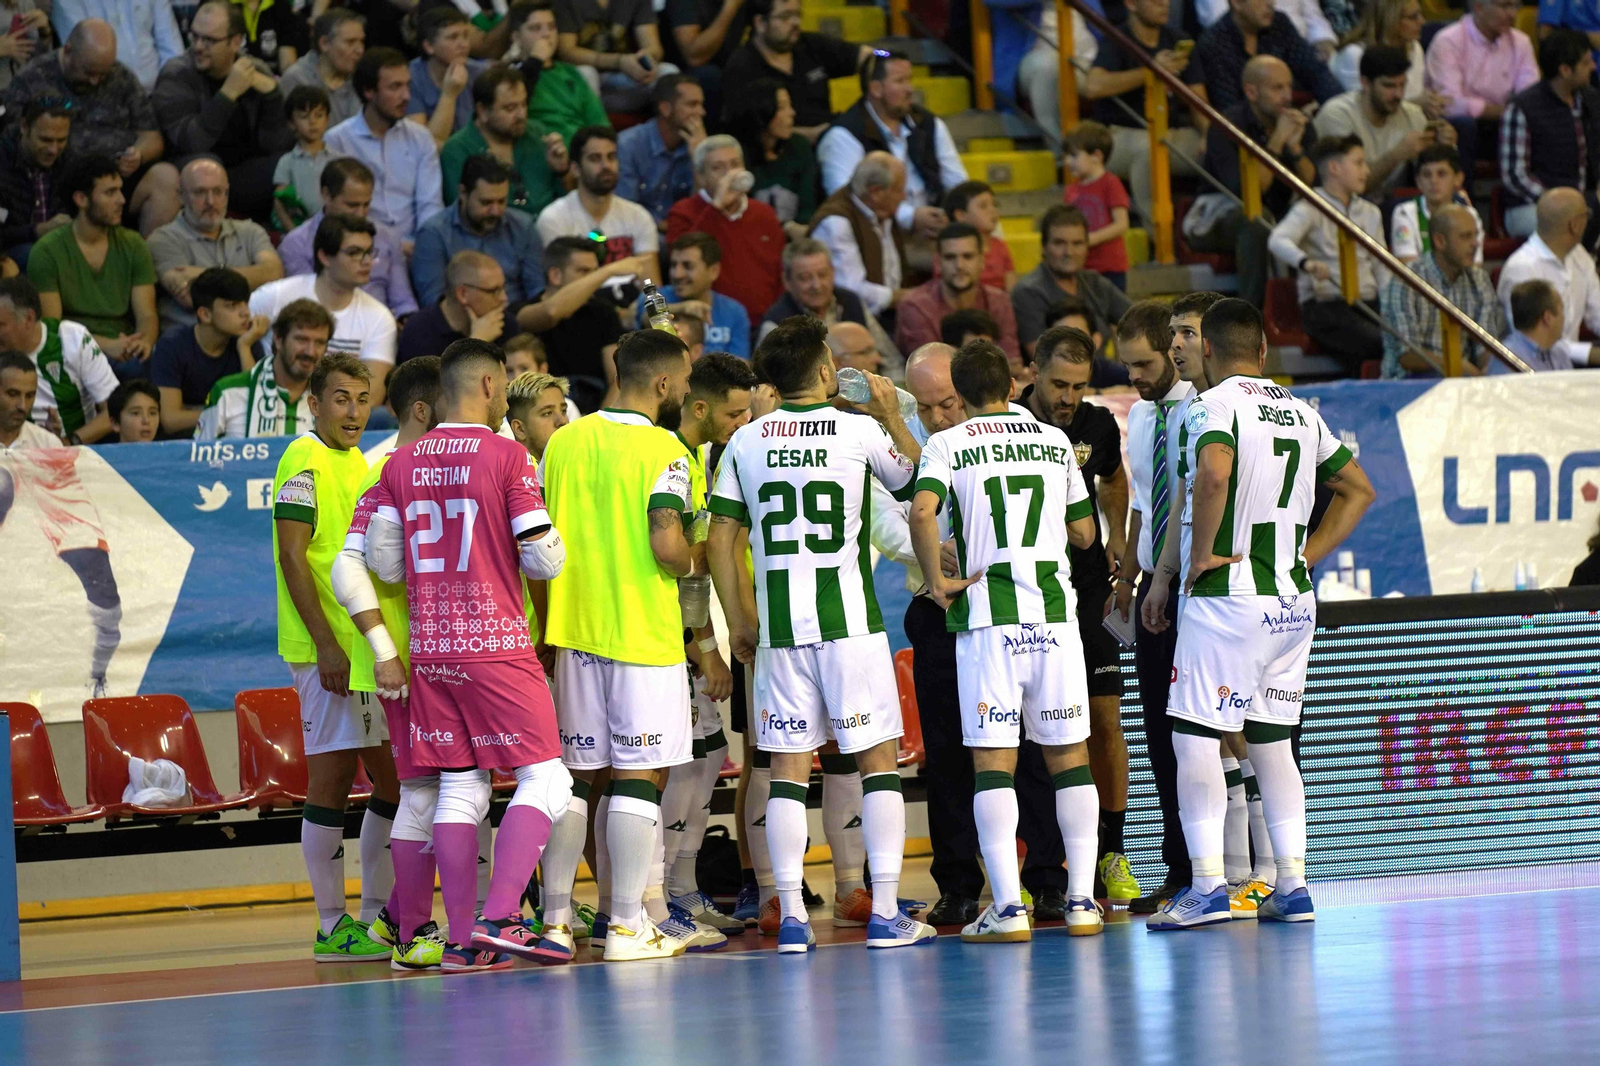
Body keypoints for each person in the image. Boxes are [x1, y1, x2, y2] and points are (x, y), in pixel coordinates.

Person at [706, 315, 937, 953]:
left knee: (785, 772)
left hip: (781, 630)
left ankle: (793, 919)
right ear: (827, 371)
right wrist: (892, 416)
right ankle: (885, 911)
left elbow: (721, 539)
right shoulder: (858, 429)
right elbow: (920, 487)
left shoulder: (745, 441)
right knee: (877, 765)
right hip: (850, 629)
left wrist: (742, 618)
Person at [1144, 298, 1374, 930]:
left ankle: (1209, 887)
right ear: (1265, 352)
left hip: (1230, 595)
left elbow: (1213, 475)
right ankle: (1293, 886)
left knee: (1193, 737)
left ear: (1210, 349)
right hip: (1291, 600)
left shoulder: (1211, 407)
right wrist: (1309, 552)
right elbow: (1359, 489)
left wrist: (1203, 554)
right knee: (1273, 745)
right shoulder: (1302, 411)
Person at [356, 337, 573, 972]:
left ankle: (458, 941)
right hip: (497, 645)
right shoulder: (507, 456)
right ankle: (502, 917)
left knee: (458, 785)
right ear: (486, 385)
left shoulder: (400, 463)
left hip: (430, 650)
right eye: (504, 383)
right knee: (547, 778)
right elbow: (542, 556)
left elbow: (385, 565)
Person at [908, 337, 1105, 942]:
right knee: (1069, 760)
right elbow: (1084, 534)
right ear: (1013, 386)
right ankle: (1079, 902)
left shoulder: (946, 443)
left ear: (960, 397)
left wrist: (938, 582)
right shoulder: (1051, 441)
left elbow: (920, 513)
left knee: (993, 763)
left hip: (989, 624)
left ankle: (1008, 910)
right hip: (1052, 620)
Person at [535, 328, 697, 963]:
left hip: (572, 634)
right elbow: (666, 544)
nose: (684, 389)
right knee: (636, 777)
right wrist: (694, 556)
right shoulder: (667, 450)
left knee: (576, 778)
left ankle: (556, 921)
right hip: (641, 635)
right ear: (661, 383)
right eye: (682, 379)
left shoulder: (562, 443)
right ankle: (628, 924)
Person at [268, 351, 399, 962]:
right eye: (340, 399)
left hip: (361, 650)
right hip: (325, 650)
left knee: (392, 777)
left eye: (361, 398)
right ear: (314, 403)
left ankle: (374, 918)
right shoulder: (303, 458)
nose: (352, 411)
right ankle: (329, 925)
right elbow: (292, 556)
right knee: (332, 777)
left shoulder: (358, 463)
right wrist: (324, 642)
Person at [326, 354, 446, 971]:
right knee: (414, 792)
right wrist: (384, 652)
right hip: (400, 668)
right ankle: (401, 923)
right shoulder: (385, 470)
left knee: (445, 791)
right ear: (426, 408)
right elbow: (350, 567)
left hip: (447, 661)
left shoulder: (449, 462)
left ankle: (399, 919)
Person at [1017, 325, 1137, 903]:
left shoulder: (1095, 424)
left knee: (1105, 718)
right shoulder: (1009, 424)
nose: (1067, 397)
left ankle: (1110, 852)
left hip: (1087, 588)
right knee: (1037, 738)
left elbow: (1113, 476)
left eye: (1078, 386)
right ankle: (1047, 864)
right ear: (1032, 372)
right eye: (1058, 384)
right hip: (1029, 594)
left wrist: (1114, 534)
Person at [1114, 295, 1211, 914]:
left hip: (1183, 588)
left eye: (1145, 364)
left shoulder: (1198, 414)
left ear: (1173, 352)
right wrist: (1127, 572)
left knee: (1190, 733)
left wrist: (1160, 578)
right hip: (1149, 580)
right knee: (1155, 730)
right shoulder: (1143, 416)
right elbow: (1143, 502)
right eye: (1127, 367)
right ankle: (1178, 866)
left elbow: (1185, 502)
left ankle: (1208, 868)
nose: (1135, 378)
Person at [656, 352, 755, 938]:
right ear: (700, 407)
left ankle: (683, 888)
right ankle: (660, 897)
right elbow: (683, 567)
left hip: (684, 635)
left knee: (710, 756)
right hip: (669, 638)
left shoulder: (695, 457)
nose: (743, 424)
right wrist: (705, 645)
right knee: (682, 764)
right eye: (735, 413)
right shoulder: (672, 460)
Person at [0, 350, 123, 696]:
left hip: (46, 529)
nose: (21, 404)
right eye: (12, 394)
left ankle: (97, 679)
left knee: (109, 605)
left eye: (28, 395)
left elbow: (74, 504)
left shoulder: (46, 444)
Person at [3, 20, 182, 236]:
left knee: (166, 178)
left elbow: (152, 136)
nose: (96, 81)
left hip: (117, 179)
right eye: (88, 72)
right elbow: (18, 145)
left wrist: (139, 155)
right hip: (62, 187)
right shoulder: (32, 79)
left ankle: (148, 263)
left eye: (102, 74)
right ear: (68, 51)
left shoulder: (120, 76)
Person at [1188, 55, 1317, 310]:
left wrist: (1294, 147)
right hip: (1218, 212)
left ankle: (1312, 315)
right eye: (1277, 88)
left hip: (1276, 210)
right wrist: (1277, 142)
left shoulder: (1297, 123)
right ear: (1251, 91)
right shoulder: (1227, 125)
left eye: (1289, 87)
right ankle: (1251, 319)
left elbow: (1311, 185)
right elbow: (1249, 192)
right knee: (1257, 222)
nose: (1287, 96)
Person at [151, 1, 296, 222]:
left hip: (241, 174)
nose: (198, 46)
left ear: (236, 42)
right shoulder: (176, 74)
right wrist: (228, 94)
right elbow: (189, 143)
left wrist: (272, 96)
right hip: (191, 175)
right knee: (207, 164)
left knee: (294, 161)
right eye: (195, 36)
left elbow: (274, 145)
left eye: (209, 40)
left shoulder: (255, 70)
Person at [29, 155, 160, 379]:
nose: (121, 200)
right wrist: (106, 345)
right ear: (81, 199)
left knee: (155, 362)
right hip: (74, 348)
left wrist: (144, 342)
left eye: (120, 190)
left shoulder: (134, 244)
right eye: (110, 192)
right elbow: (52, 328)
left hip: (127, 347)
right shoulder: (47, 252)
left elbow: (147, 314)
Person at [817, 49, 966, 246]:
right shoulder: (843, 135)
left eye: (909, 80)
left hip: (934, 234)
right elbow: (847, 202)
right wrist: (910, 217)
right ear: (876, 89)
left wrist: (951, 214)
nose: (910, 89)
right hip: (876, 239)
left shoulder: (928, 124)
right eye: (900, 81)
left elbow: (959, 184)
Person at [1267, 135, 1388, 374]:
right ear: (1334, 168)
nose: (1366, 170)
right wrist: (1306, 263)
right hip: (1326, 305)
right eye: (1359, 163)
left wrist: (1391, 308)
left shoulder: (1370, 212)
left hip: (1368, 302)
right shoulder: (1310, 206)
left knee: (1402, 339)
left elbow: (1381, 266)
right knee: (1379, 343)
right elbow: (1277, 239)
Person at [1084, 0, 1209, 229]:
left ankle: (1216, 225)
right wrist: (1151, 71)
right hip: (1118, 135)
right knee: (1150, 150)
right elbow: (1093, 86)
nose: (1165, 4)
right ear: (1131, 4)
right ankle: (1158, 239)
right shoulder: (1117, 39)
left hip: (1170, 132)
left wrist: (1207, 135)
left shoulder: (1177, 40)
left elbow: (1198, 99)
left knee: (1225, 148)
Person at [249, 213, 398, 404]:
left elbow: (371, 397)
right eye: (354, 252)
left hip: (337, 420)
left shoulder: (379, 317)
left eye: (369, 252)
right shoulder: (273, 297)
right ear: (324, 256)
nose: (367, 261)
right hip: (268, 406)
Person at [326, 47, 445, 247]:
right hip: (365, 246)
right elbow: (340, 212)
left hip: (418, 247)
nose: (406, 96)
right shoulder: (338, 141)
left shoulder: (420, 137)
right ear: (369, 91)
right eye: (395, 87)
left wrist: (425, 245)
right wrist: (392, 246)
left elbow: (430, 205)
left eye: (408, 85)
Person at [520, 236, 656, 411]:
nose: (594, 282)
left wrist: (600, 422)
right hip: (539, 410)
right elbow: (550, 312)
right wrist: (608, 271)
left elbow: (617, 379)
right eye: (584, 272)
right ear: (555, 275)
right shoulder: (524, 309)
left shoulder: (603, 311)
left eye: (595, 272)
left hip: (593, 409)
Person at [147, 158, 284, 332]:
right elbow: (190, 297)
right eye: (200, 192)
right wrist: (254, 277)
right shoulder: (162, 239)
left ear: (227, 194)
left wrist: (201, 273)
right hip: (190, 340)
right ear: (181, 196)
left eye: (218, 192)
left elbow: (274, 273)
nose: (210, 201)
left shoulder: (250, 231)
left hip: (247, 336)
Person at [665, 135, 786, 329]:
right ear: (701, 177)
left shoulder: (765, 214)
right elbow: (683, 260)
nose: (729, 174)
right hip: (711, 325)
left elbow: (781, 272)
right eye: (718, 168)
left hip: (765, 323)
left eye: (735, 164)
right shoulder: (684, 212)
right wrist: (716, 208)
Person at [279, 158, 416, 320]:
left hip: (384, 326)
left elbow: (403, 301)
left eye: (366, 205)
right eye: (352, 205)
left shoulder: (387, 236)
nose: (361, 214)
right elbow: (305, 305)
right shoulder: (296, 244)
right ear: (327, 195)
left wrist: (405, 320)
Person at [1314, 45, 1455, 199]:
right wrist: (1395, 156)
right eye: (1389, 86)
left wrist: (1444, 147)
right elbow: (1349, 188)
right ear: (1365, 83)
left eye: (1402, 85)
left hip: (1395, 207)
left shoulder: (1412, 115)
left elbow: (1434, 176)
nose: (1398, 94)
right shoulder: (1337, 115)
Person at [1380, 204, 1505, 377]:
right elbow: (1407, 355)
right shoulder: (1407, 280)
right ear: (1440, 241)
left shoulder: (1479, 279)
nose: (1475, 244)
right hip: (1410, 384)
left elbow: (1485, 344)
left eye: (1475, 235)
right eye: (1465, 237)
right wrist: (1458, 366)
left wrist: (1487, 370)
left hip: (1462, 382)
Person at [1501, 29, 1600, 240]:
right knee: (1567, 226)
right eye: (1586, 63)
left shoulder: (1592, 101)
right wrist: (1558, 203)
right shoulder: (1522, 107)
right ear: (1565, 70)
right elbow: (1515, 176)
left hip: (1585, 201)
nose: (1594, 67)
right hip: (1531, 206)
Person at [413, 153, 546, 310]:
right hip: (462, 325)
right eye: (486, 202)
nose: (496, 211)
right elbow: (434, 302)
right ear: (463, 193)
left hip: (518, 318)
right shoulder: (434, 234)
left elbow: (537, 291)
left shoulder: (523, 226)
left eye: (502, 201)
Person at [720, 0, 869, 138]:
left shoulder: (811, 44)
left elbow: (869, 55)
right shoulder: (742, 65)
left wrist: (886, 53)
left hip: (831, 137)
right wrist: (809, 135)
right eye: (785, 17)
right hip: (781, 151)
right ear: (760, 23)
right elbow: (746, 130)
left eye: (797, 15)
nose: (796, 22)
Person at [442, 62, 570, 222]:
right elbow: (464, 218)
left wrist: (563, 171)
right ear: (483, 111)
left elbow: (570, 200)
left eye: (523, 105)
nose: (521, 115)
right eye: (510, 108)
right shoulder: (457, 151)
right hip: (498, 238)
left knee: (597, 237)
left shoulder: (538, 134)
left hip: (554, 230)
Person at [1426, 0, 1538, 181]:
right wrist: (1503, 110)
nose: (1512, 14)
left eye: (1515, 6)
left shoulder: (1521, 41)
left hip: (1504, 123)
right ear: (1479, 7)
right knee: (1464, 125)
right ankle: (1462, 199)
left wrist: (1508, 112)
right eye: (1504, 6)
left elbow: (1531, 97)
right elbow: (1449, 104)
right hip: (1461, 126)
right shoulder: (1448, 40)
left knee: (1538, 121)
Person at [149, 266, 269, 435]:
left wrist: (244, 348)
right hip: (184, 445)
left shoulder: (248, 342)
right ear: (205, 314)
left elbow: (258, 409)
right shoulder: (172, 346)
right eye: (232, 306)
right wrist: (227, 412)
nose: (245, 313)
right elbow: (171, 420)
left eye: (245, 304)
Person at [0, 274, 117, 443]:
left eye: (1, 325)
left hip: (77, 453)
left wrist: (68, 443)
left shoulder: (71, 338)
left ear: (28, 319)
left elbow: (114, 411)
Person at [1497, 187, 1600, 370]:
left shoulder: (1579, 256)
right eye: (1587, 215)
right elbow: (1530, 340)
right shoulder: (1521, 268)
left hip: (1568, 366)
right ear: (1575, 225)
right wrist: (1590, 354)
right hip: (1531, 370)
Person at [196, 297, 330, 438]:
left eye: (319, 343)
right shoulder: (227, 392)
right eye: (301, 340)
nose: (310, 352)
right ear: (278, 340)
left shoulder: (329, 400)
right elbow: (198, 456)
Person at [1012, 204, 1131, 358]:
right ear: (1044, 246)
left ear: (1087, 246)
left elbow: (1140, 321)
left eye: (1077, 243)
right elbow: (1042, 358)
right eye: (1059, 243)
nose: (1069, 252)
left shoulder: (1095, 282)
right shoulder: (1028, 292)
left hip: (1103, 374)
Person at [895, 223, 1020, 366]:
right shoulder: (915, 306)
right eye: (950, 257)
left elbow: (1011, 363)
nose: (959, 265)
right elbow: (931, 368)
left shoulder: (1000, 301)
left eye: (968, 256)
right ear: (938, 262)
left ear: (982, 261)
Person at [757, 237, 898, 360]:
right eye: (805, 278)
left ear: (833, 273)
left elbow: (889, 358)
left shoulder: (850, 301)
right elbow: (769, 383)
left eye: (822, 274)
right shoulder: (775, 324)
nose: (816, 285)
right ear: (787, 281)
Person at [536, 125, 659, 264]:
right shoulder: (554, 219)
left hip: (631, 286)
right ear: (575, 169)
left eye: (611, 157)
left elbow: (649, 280)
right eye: (595, 158)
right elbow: (563, 283)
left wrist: (648, 286)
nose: (606, 165)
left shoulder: (638, 217)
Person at [809, 153, 909, 322]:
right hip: (852, 322)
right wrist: (904, 297)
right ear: (875, 192)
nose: (904, 197)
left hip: (890, 316)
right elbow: (851, 290)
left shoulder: (882, 211)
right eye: (899, 190)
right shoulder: (836, 223)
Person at [1197, 0, 1342, 112]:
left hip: (1291, 116)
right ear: (1237, 3)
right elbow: (1230, 108)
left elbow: (1316, 72)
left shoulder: (1279, 24)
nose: (1271, 3)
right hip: (1247, 137)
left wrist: (1337, 109)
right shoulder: (1213, 44)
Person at [508, 0, 608, 150]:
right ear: (516, 37)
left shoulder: (571, 72)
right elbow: (514, 103)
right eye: (536, 28)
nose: (546, 34)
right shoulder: (510, 76)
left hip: (582, 154)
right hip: (543, 152)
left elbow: (599, 123)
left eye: (552, 27)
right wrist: (535, 61)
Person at [726, 79, 818, 239]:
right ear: (760, 111)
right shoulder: (735, 154)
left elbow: (807, 208)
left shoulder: (799, 147)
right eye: (782, 107)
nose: (792, 113)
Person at [635, 231, 750, 359]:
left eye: (687, 266)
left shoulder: (734, 312)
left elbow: (741, 364)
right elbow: (645, 317)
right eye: (673, 265)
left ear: (714, 271)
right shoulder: (657, 296)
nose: (677, 274)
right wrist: (682, 308)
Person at [554, 0, 676, 114]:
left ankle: (664, 134)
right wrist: (619, 62)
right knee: (586, 73)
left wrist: (645, 60)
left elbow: (654, 47)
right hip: (587, 82)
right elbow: (566, 52)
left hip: (625, 77)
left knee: (668, 72)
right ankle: (595, 133)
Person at [1332, 0, 1447, 120]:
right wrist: (1417, 105)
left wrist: (1432, 103)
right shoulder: (1354, 55)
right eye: (1413, 17)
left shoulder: (1414, 48)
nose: (1422, 21)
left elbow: (1416, 95)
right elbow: (1364, 112)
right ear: (1391, 20)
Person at [618, 75, 705, 226]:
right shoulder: (628, 145)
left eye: (701, 105)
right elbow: (624, 208)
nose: (702, 112)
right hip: (639, 231)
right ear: (665, 109)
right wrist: (665, 225)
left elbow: (702, 208)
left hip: (684, 232)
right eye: (692, 105)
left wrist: (700, 159)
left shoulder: (698, 143)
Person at [48, 0, 184, 93]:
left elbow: (172, 50)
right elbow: (87, 56)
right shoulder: (68, 2)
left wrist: (167, 93)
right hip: (104, 98)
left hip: (158, 94)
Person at [0, 99, 74, 268]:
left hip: (60, 244)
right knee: (42, 258)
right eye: (45, 140)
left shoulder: (69, 160)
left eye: (61, 140)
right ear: (24, 127)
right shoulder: (3, 163)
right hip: (13, 251)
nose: (53, 150)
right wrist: (37, 230)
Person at [399, 250, 511, 361]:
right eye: (494, 291)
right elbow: (440, 379)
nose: (504, 298)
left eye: (503, 288)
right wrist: (477, 343)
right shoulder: (418, 332)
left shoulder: (504, 322)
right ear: (463, 294)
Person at [1015, 0, 1097, 145]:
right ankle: (1061, 155)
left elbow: (1100, 18)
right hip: (1036, 59)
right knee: (1046, 67)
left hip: (1087, 57)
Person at [1062, 122, 1132, 291]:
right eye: (1066, 156)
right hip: (1082, 267)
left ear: (1096, 156)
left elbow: (1122, 224)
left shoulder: (1110, 183)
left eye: (1073, 155)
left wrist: (1090, 239)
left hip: (1110, 267)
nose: (1067, 161)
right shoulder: (1071, 190)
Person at [407, 5, 487, 148]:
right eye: (453, 37)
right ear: (428, 46)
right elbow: (424, 145)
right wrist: (449, 94)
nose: (463, 44)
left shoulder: (479, 73)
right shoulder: (411, 77)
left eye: (465, 36)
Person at [1389, 145, 1482, 265]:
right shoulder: (1404, 213)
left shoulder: (1470, 215)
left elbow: (1474, 267)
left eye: (1441, 174)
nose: (1433, 181)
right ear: (1418, 181)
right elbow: (1408, 270)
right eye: (1427, 175)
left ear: (1458, 179)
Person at [278, 7, 366, 126]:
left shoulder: (363, 79)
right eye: (350, 42)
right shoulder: (297, 80)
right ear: (324, 43)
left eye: (361, 42)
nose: (359, 50)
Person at [1498, 278, 1600, 372]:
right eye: (1561, 311)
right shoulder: (1506, 359)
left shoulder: (1559, 352)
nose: (1564, 318)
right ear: (1547, 318)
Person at [273, 85, 336, 232]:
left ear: (327, 120)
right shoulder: (286, 162)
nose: (312, 122)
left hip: (332, 231)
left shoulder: (338, 160)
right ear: (291, 123)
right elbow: (280, 203)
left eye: (319, 115)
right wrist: (294, 233)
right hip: (298, 231)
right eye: (304, 117)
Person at [942, 181, 1014, 294]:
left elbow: (1011, 291)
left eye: (994, 205)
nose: (993, 210)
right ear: (961, 215)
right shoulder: (948, 249)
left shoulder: (1000, 246)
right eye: (983, 206)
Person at [505, 367, 572, 458]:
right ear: (520, 429)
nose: (562, 421)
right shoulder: (503, 471)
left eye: (563, 411)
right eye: (547, 413)